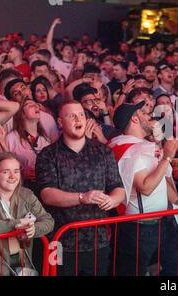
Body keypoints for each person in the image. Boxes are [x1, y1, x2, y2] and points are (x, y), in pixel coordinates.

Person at [35, 101, 126, 276]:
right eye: (72, 115)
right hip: (61, 241)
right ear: (60, 122)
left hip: (98, 240)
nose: (79, 119)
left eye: (82, 115)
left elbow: (118, 188)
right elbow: (47, 194)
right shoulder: (48, 155)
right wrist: (82, 197)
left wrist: (112, 200)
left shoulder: (103, 152)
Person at [109, 102, 178, 276]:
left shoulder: (141, 145)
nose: (148, 116)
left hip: (163, 221)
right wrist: (167, 157)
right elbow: (146, 187)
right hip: (140, 225)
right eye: (143, 113)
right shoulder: (128, 149)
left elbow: (161, 179)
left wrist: (177, 201)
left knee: (176, 269)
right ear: (134, 118)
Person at [0, 152, 54, 276]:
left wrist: (33, 229)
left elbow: (48, 221)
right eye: (5, 172)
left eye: (16, 171)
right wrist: (19, 223)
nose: (12, 176)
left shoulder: (26, 194)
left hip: (23, 264)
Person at [6, 100, 51, 194]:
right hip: (22, 189)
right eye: (30, 105)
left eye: (36, 105)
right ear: (22, 114)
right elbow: (2, 165)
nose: (36, 107)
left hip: (45, 187)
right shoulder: (11, 138)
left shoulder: (46, 139)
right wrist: (21, 173)